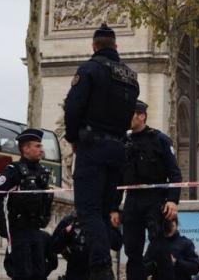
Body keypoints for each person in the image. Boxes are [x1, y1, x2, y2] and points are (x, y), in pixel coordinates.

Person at [64, 23, 140, 280]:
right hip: (118, 150)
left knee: (88, 211)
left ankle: (100, 269)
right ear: (116, 47)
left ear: (94, 46)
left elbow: (73, 107)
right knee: (107, 210)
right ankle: (103, 262)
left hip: (93, 147)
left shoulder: (89, 69)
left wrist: (73, 137)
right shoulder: (132, 77)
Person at [123, 100, 182, 280]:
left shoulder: (160, 139)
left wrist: (173, 200)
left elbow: (175, 174)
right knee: (132, 250)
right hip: (132, 200)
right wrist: (112, 208)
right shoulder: (123, 141)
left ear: (142, 116)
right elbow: (118, 178)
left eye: (130, 113)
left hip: (155, 199)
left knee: (159, 247)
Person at [0, 129, 54, 280]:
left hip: (37, 231)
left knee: (39, 273)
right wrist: (4, 223)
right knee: (22, 273)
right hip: (19, 231)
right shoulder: (14, 171)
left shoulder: (43, 171)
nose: (41, 150)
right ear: (26, 148)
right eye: (38, 146)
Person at [51, 212, 123, 280]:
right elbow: (55, 246)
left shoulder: (103, 220)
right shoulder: (71, 219)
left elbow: (117, 244)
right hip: (76, 272)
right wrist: (66, 231)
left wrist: (110, 223)